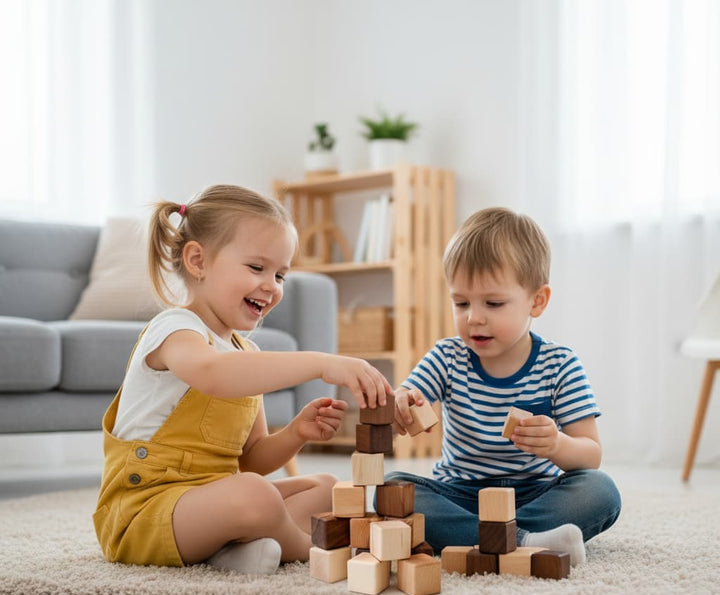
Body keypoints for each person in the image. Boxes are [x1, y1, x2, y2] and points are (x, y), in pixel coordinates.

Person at [93, 184, 392, 575]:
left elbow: (249, 460)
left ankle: (234, 552)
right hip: (145, 512)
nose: (272, 285)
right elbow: (214, 375)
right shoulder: (174, 330)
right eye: (257, 268)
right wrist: (320, 363)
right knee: (255, 497)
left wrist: (296, 433)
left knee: (327, 489)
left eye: (281, 274)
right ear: (198, 261)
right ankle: (311, 549)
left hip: (214, 503)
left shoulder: (244, 354)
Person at [388, 207, 621, 566]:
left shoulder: (559, 364)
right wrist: (401, 402)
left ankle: (485, 539)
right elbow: (405, 396)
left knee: (600, 490)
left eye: (493, 303)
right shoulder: (448, 356)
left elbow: (590, 454)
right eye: (461, 302)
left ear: (537, 301)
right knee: (390, 489)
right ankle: (524, 541)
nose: (474, 317)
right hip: (461, 494)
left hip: (533, 493)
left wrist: (556, 444)